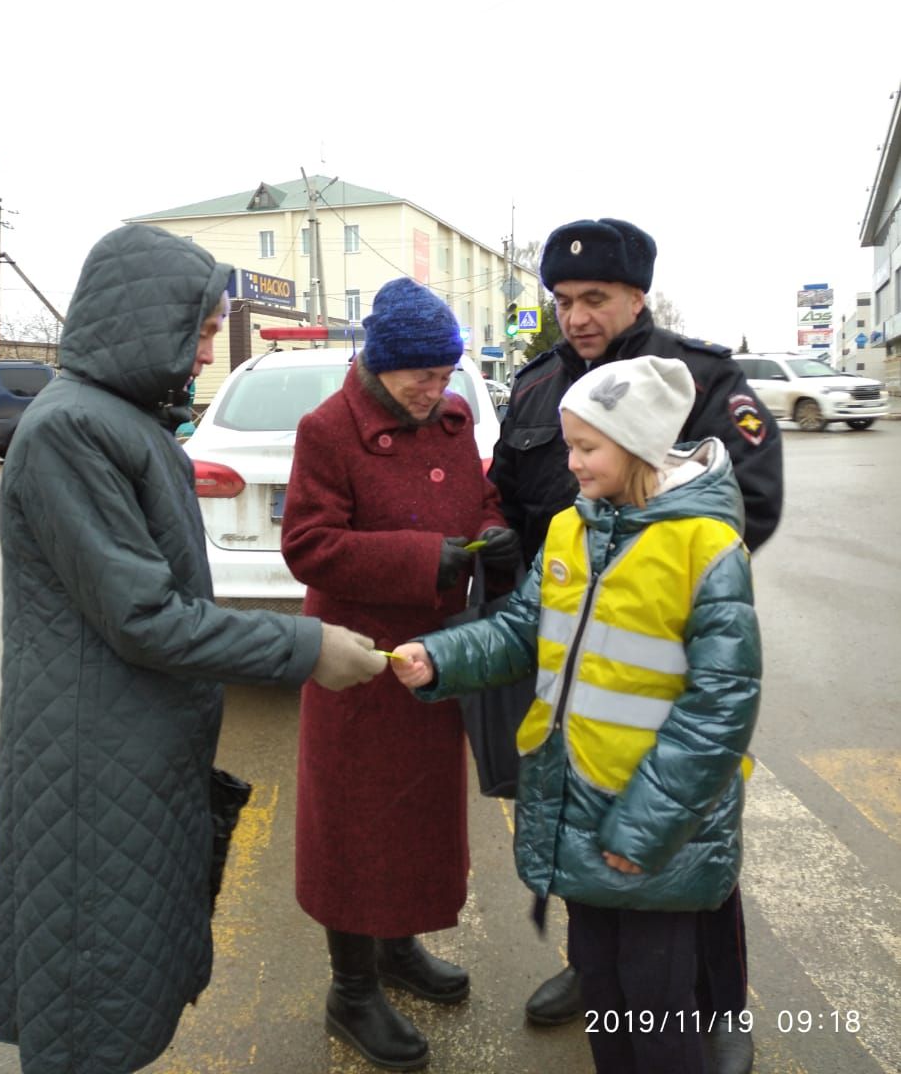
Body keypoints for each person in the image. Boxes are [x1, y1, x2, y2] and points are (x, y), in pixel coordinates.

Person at [0, 224, 386, 1074]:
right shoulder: (73, 431)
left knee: (118, 964)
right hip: (96, 760)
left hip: (129, 746)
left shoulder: (117, 419)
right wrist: (305, 646)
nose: (206, 352)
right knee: (91, 980)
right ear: (145, 322)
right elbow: (145, 617)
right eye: (200, 331)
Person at [392, 354, 762, 1074]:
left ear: (640, 448)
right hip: (578, 807)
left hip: (659, 830)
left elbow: (720, 709)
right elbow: (518, 631)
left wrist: (644, 827)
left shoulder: (706, 548)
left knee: (656, 1012)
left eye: (586, 447)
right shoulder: (570, 530)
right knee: (603, 993)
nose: (571, 463)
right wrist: (440, 658)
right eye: (568, 444)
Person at [488, 217, 781, 1074]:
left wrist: (649, 588)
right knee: (587, 824)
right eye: (563, 300)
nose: (576, 316)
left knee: (680, 846)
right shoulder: (539, 387)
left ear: (635, 296)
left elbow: (746, 505)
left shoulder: (699, 380)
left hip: (663, 661)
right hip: (571, 659)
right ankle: (598, 977)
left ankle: (716, 1006)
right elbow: (507, 492)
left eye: (595, 299)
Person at [280, 277, 520, 1072]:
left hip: (435, 656)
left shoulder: (451, 419)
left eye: (445, 369)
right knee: (353, 826)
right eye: (420, 372)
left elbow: (478, 497)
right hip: (358, 660)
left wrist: (490, 534)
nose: (436, 386)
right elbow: (308, 545)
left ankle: (396, 949)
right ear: (379, 366)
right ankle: (350, 991)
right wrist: (425, 559)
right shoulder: (328, 430)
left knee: (414, 818)